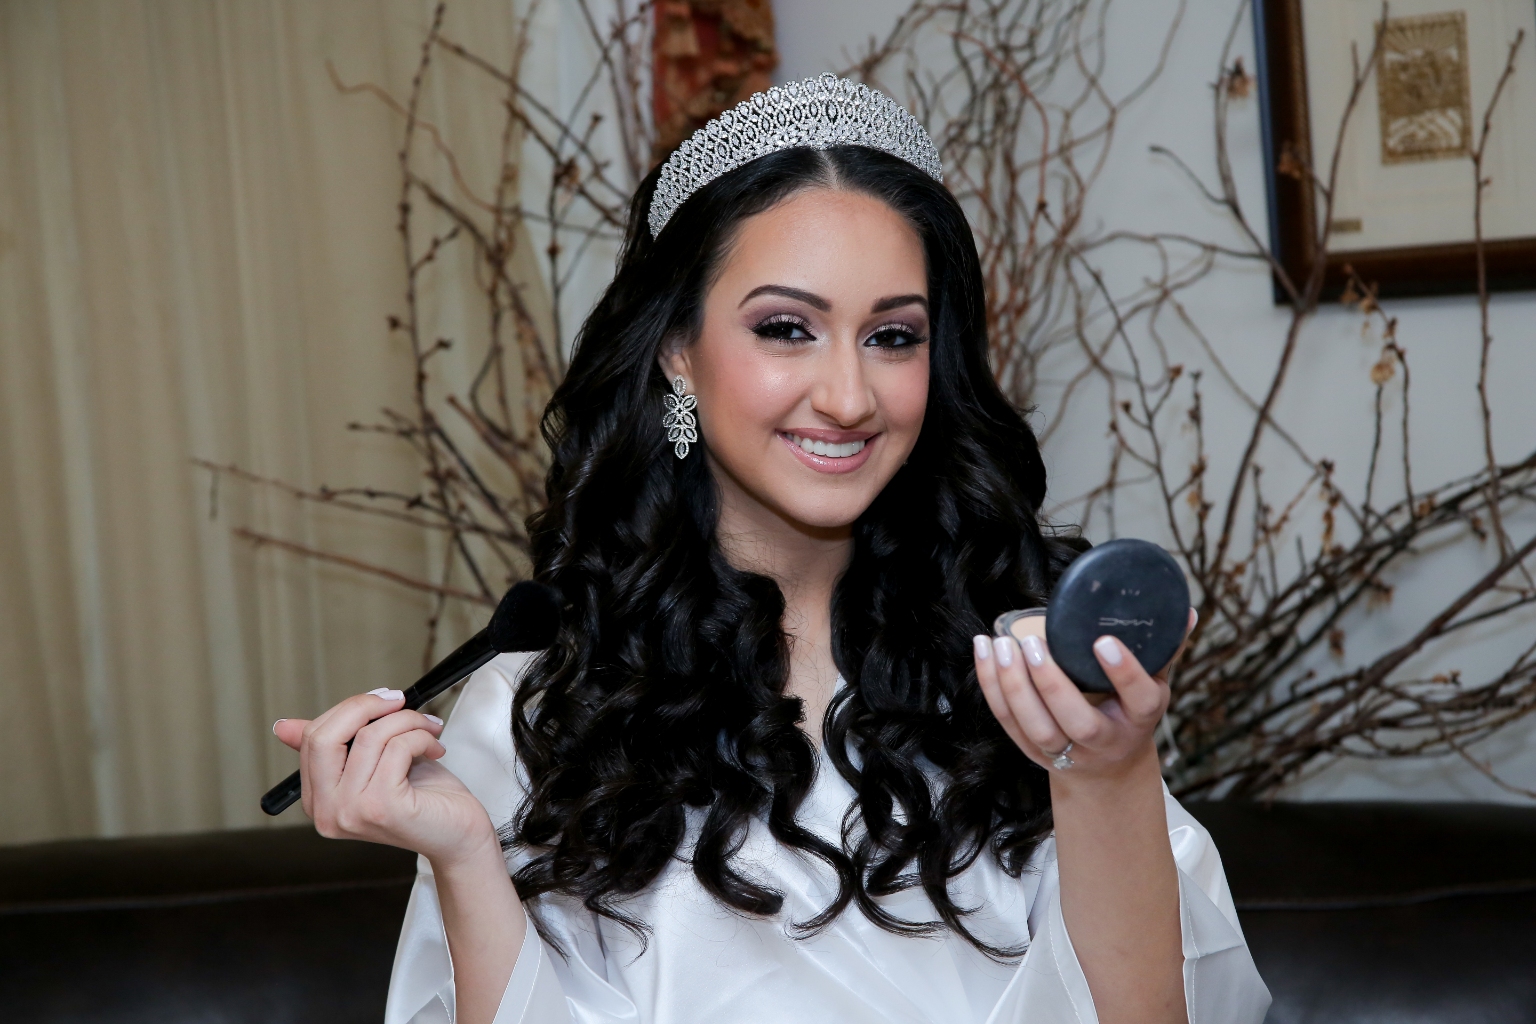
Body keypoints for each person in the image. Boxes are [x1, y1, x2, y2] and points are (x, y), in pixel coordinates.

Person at [272, 75, 1270, 1024]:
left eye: (893, 337)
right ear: (677, 349)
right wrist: (463, 855)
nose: (848, 396)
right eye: (788, 328)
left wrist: (1106, 775)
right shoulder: (540, 710)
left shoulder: (1030, 674)